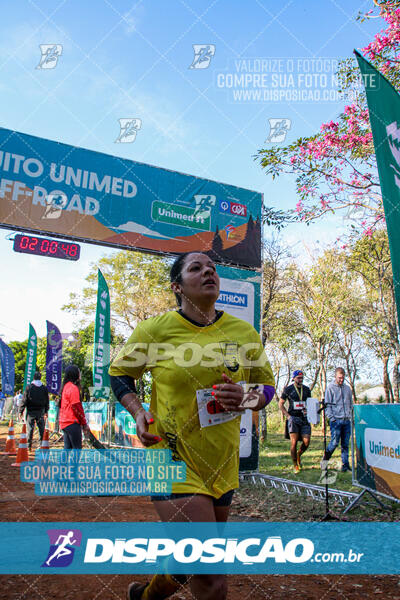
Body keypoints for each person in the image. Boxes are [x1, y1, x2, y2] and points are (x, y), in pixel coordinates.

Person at [109, 251, 275, 600]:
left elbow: (267, 388)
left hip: (221, 461)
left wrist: (244, 398)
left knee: (190, 561)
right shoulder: (154, 330)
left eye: (212, 268)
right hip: (170, 458)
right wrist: (137, 411)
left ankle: (146, 595)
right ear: (178, 286)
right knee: (211, 572)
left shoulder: (244, 333)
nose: (208, 272)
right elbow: (120, 374)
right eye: (196, 268)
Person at [279, 370, 311, 474]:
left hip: (304, 418)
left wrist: (308, 410)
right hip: (293, 418)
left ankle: (298, 455)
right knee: (294, 442)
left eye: (302, 378)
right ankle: (295, 465)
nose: (300, 380)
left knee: (306, 442)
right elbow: (281, 404)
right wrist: (288, 416)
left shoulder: (306, 390)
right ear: (294, 378)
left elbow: (310, 403)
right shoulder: (288, 389)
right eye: (298, 378)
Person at [321, 367, 353, 472]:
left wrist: (350, 415)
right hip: (336, 420)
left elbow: (350, 403)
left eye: (343, 378)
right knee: (334, 443)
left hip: (346, 420)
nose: (341, 380)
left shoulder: (347, 388)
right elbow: (327, 405)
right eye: (339, 378)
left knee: (345, 444)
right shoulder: (330, 388)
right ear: (335, 376)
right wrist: (332, 418)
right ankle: (325, 461)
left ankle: (345, 465)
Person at [58, 365, 90, 449]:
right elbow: (76, 406)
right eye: (79, 372)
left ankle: (63, 463)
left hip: (65, 422)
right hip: (72, 422)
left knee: (67, 448)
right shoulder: (73, 388)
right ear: (75, 374)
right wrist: (84, 423)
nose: (80, 375)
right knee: (77, 449)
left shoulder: (66, 386)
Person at [19, 372, 49, 451]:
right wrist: (46, 410)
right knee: (41, 429)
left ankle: (29, 446)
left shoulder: (29, 387)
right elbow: (47, 400)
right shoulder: (44, 388)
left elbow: (24, 400)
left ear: (33, 378)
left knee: (30, 429)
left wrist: (21, 411)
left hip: (31, 411)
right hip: (40, 411)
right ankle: (42, 444)